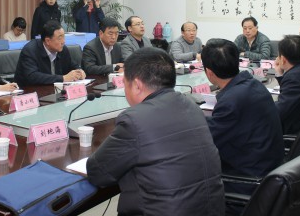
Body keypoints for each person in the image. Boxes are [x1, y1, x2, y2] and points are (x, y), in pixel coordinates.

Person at [87, 47, 225, 216]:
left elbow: (97, 173)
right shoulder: (191, 105)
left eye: (125, 83)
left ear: (137, 85)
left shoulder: (134, 120)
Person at [202, 39, 283, 194]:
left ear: (209, 72)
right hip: (270, 167)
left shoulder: (231, 101)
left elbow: (207, 140)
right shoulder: (254, 84)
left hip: (249, 179)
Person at [14, 20, 84, 86]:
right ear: (48, 41)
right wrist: (62, 78)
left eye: (64, 37)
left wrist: (79, 71)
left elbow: (71, 65)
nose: (63, 41)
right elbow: (32, 76)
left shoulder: (62, 49)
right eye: (60, 38)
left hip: (54, 90)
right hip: (30, 91)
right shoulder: (30, 50)